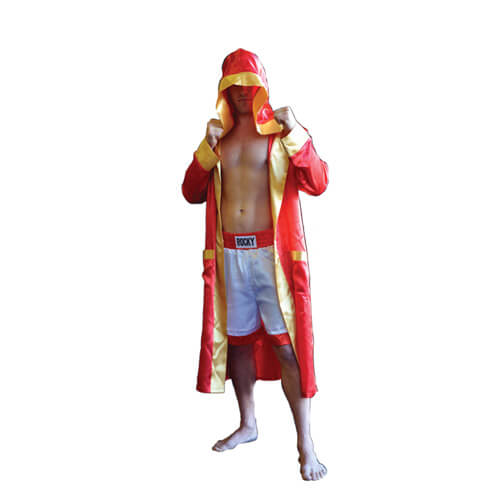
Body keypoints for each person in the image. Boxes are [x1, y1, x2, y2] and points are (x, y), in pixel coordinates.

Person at [181, 48, 329, 481]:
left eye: (250, 83)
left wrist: (296, 131)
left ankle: (306, 443)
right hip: (231, 255)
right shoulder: (218, 138)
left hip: (272, 257)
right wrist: (206, 150)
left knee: (286, 347)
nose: (243, 91)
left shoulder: (280, 134)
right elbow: (190, 192)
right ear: (224, 90)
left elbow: (319, 182)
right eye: (235, 84)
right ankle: (248, 424)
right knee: (240, 342)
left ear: (261, 85)